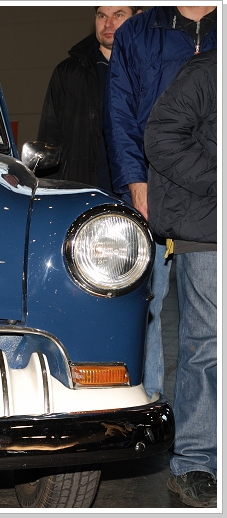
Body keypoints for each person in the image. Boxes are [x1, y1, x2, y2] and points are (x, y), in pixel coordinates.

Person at [104, 5, 216, 400]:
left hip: (206, 196)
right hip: (150, 188)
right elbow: (119, 113)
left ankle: (199, 428)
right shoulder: (137, 30)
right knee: (144, 308)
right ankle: (147, 400)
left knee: (208, 332)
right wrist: (135, 182)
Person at [144, 47, 217, 508]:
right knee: (208, 346)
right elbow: (161, 136)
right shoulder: (210, 70)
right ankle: (194, 462)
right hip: (209, 229)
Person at [36, 6, 140, 189]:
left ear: (138, 17)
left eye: (118, 15)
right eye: (102, 16)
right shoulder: (68, 73)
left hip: (138, 194)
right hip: (83, 193)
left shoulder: (153, 71)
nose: (108, 24)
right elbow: (49, 141)